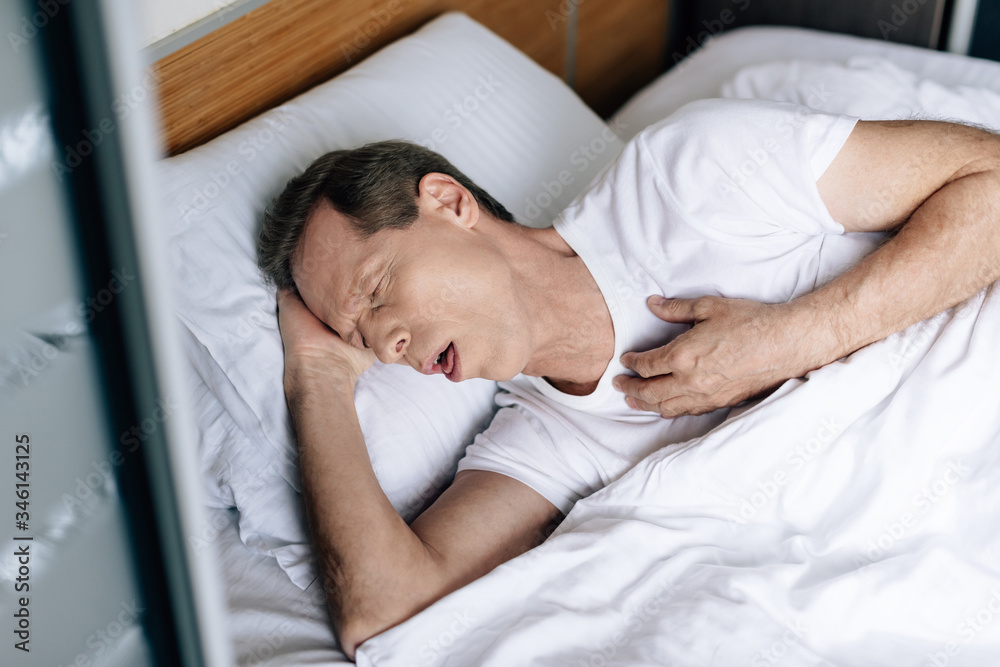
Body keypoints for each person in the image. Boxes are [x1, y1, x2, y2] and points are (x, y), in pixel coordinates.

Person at [256, 98, 1000, 659]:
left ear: (450, 203)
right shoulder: (542, 439)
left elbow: (991, 182)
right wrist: (318, 379)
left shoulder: (687, 176)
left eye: (379, 289)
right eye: (359, 337)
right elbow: (386, 614)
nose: (386, 345)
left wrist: (795, 338)